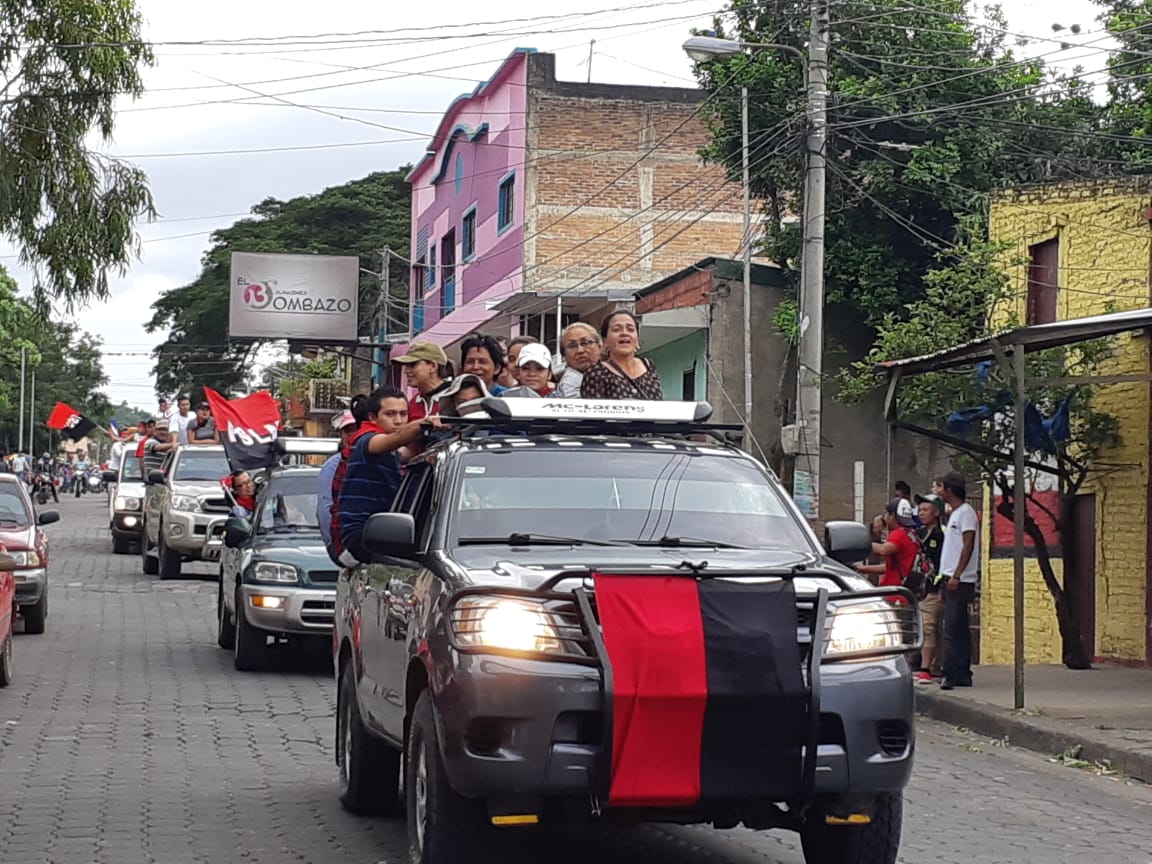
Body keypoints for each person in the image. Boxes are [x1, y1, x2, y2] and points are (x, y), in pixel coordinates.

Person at [337, 388, 439, 565]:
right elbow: (399, 437)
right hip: (364, 535)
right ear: (373, 417)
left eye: (403, 414)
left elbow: (406, 452)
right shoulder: (367, 440)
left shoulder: (390, 450)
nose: (398, 421)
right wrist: (427, 423)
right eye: (390, 414)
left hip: (383, 532)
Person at [939, 471, 980, 690]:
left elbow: (968, 544)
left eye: (942, 487)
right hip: (951, 575)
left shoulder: (966, 514)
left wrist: (957, 574)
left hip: (960, 578)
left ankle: (950, 672)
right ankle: (963, 671)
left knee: (952, 628)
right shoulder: (954, 513)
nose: (939, 491)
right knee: (960, 627)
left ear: (950, 490)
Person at [580, 310, 663, 400]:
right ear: (605, 341)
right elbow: (594, 411)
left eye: (630, 329)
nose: (624, 333)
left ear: (637, 339)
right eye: (616, 329)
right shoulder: (596, 372)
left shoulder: (648, 365)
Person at [914, 493, 947, 682]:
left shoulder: (941, 535)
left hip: (935, 589)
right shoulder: (920, 533)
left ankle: (927, 668)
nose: (921, 513)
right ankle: (934, 666)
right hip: (922, 589)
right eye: (920, 510)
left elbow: (944, 562)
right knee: (931, 628)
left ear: (936, 512)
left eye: (925, 510)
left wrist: (941, 586)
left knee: (929, 627)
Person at [854, 498, 919, 592]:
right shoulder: (910, 533)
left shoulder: (899, 534)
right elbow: (889, 567)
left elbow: (883, 550)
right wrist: (863, 569)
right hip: (903, 590)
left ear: (892, 516)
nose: (884, 517)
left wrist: (858, 542)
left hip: (895, 592)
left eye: (886, 514)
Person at [318, 410, 358, 554]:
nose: (352, 435)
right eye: (348, 431)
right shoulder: (333, 466)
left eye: (357, 429)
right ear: (341, 435)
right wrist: (337, 548)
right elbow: (325, 510)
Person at [392, 341, 452, 421]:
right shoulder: (413, 403)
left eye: (413, 365)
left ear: (433, 366)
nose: (406, 371)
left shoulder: (456, 395)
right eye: (406, 366)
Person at [555, 322, 601, 398]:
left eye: (585, 343)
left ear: (599, 347)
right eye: (572, 346)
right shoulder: (569, 384)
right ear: (564, 356)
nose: (580, 350)